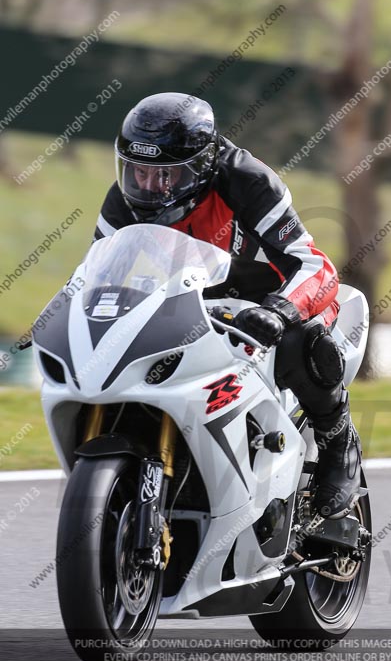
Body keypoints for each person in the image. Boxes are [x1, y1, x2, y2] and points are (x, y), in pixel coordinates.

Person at [93, 92, 362, 519]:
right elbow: (101, 276)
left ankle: (338, 442)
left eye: (166, 176)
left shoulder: (246, 180)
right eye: (138, 171)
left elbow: (317, 267)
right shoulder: (125, 199)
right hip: (195, 303)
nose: (148, 186)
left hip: (272, 300)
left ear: (202, 166)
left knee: (301, 341)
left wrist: (280, 311)